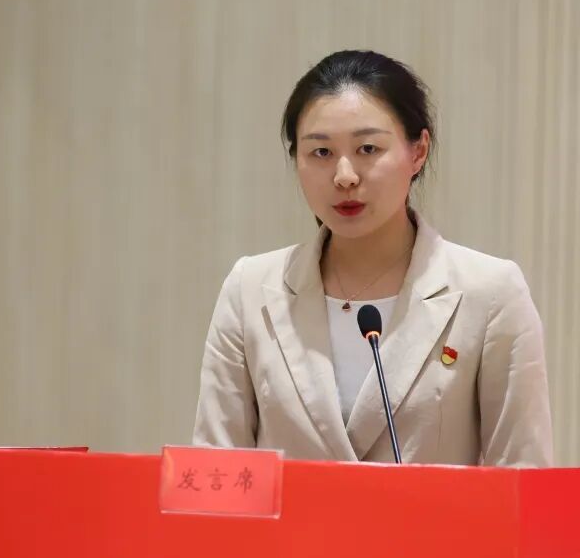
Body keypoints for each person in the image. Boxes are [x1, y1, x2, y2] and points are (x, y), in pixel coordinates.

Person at [193, 50, 553, 467]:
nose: (344, 176)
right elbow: (214, 470)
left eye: (368, 148)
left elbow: (525, 475)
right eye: (321, 152)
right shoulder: (251, 290)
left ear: (418, 151)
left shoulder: (489, 293)